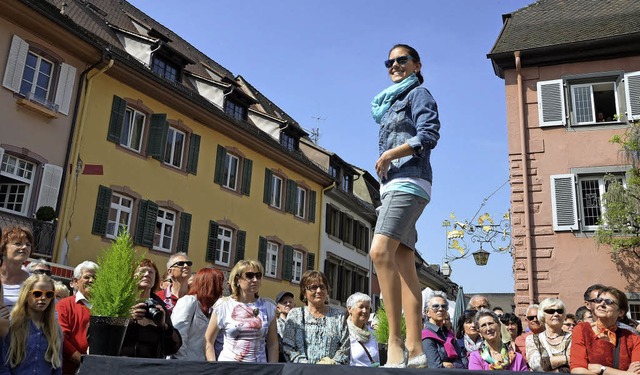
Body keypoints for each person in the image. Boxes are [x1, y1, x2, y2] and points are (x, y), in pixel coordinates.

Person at [369, 43, 440, 368]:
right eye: (390, 61)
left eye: (402, 60)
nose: (395, 65)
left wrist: (388, 155)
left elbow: (429, 135)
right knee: (404, 265)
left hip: (409, 181)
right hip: (393, 186)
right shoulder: (390, 102)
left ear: (416, 64)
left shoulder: (418, 95)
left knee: (379, 251)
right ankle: (415, 350)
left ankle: (395, 343)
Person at [205, 260, 278, 362]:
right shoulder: (224, 305)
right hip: (229, 368)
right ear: (237, 280)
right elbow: (208, 340)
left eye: (258, 275)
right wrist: (213, 365)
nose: (255, 279)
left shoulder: (268, 307)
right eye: (249, 276)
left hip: (259, 369)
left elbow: (272, 343)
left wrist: (272, 369)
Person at [282, 270, 350, 364]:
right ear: (304, 292)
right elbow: (288, 347)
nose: (319, 291)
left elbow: (345, 349)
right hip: (302, 372)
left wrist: (332, 363)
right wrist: (307, 367)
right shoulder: (295, 315)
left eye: (322, 287)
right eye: (313, 287)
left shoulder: (339, 317)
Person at [0, 274, 62, 374]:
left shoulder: (55, 329)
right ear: (26, 294)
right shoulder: (12, 325)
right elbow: (3, 366)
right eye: (37, 294)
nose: (43, 298)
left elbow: (57, 368)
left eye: (49, 294)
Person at [571, 286, 640, 374]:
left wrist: (602, 369)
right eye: (599, 300)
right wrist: (626, 373)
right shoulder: (582, 330)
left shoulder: (632, 338)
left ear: (621, 312)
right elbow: (578, 371)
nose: (602, 304)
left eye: (609, 302)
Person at [121, 258, 182, 358]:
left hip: (151, 366)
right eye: (142, 271)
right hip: (122, 364)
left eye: (151, 272)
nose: (146, 274)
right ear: (132, 276)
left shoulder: (159, 306)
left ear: (155, 278)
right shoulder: (122, 301)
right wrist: (127, 318)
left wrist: (164, 327)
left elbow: (172, 348)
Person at [171, 267, 224, 360]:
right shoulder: (189, 301)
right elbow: (179, 335)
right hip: (185, 365)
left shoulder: (211, 309)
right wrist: (182, 363)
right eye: (218, 284)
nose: (221, 288)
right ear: (210, 285)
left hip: (201, 365)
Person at [56, 260, 97, 375]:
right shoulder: (64, 305)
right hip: (70, 369)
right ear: (76, 281)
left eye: (95, 277)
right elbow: (61, 339)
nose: (92, 281)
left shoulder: (106, 306)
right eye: (87, 277)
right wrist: (82, 361)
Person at [526, 297, 572, 372]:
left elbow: (575, 364)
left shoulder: (572, 337)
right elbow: (536, 365)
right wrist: (566, 359)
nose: (556, 314)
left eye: (560, 311)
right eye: (551, 311)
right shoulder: (532, 339)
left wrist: (548, 365)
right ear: (542, 315)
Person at [422, 292, 466, 368]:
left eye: (444, 306)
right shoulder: (426, 335)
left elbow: (464, 361)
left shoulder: (448, 334)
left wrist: (453, 365)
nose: (440, 309)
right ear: (427, 312)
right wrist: (457, 365)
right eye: (435, 306)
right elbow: (435, 366)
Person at [1, 226, 33, 311]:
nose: (24, 247)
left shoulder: (33, 281)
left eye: (28, 244)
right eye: (18, 243)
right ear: (3, 249)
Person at [346, 292, 379, 367]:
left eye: (367, 308)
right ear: (350, 309)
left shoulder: (373, 334)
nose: (365, 311)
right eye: (361, 307)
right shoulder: (344, 332)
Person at [275, 290, 295, 362]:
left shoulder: (299, 325)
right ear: (278, 308)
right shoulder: (275, 325)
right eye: (284, 302)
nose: (288, 304)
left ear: (294, 305)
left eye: (290, 302)